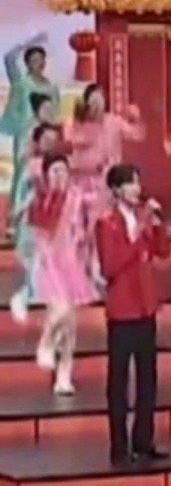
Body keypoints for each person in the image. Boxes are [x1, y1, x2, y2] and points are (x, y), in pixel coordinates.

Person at [96, 164, 171, 467]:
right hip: (122, 310)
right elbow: (110, 266)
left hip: (145, 307)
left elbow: (163, 250)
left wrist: (157, 225)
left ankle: (144, 440)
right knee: (119, 382)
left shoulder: (143, 217)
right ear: (116, 189)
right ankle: (119, 446)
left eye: (138, 183)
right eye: (130, 184)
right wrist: (137, 233)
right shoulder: (107, 223)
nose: (137, 189)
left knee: (147, 379)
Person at [28, 152, 96, 396]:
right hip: (50, 261)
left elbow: (89, 227)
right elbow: (37, 233)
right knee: (61, 309)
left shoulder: (78, 197)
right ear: (46, 175)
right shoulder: (40, 199)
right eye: (54, 171)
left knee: (70, 324)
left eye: (63, 170)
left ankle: (64, 374)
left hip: (73, 260)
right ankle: (46, 341)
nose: (59, 175)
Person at [3, 35, 60, 321]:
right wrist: (30, 42)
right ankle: (16, 219)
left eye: (41, 59)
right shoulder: (22, 84)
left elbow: (55, 113)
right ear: (27, 62)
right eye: (33, 60)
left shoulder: (50, 87)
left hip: (46, 136)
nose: (38, 64)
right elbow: (8, 59)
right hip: (27, 135)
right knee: (24, 179)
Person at [8, 121, 64, 324]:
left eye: (53, 140)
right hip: (32, 217)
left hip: (52, 217)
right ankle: (29, 294)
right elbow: (22, 193)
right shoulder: (31, 165)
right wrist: (17, 212)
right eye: (46, 140)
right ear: (37, 141)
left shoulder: (60, 164)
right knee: (33, 257)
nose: (50, 144)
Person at [66, 83, 145, 224]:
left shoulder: (113, 121)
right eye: (94, 101)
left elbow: (136, 135)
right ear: (87, 103)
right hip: (82, 180)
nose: (98, 104)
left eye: (100, 100)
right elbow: (72, 140)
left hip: (108, 181)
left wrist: (135, 119)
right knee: (80, 221)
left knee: (105, 218)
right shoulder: (76, 124)